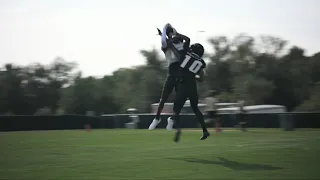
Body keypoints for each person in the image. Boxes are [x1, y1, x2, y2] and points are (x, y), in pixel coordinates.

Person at [148, 23, 190, 131]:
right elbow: (163, 42)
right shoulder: (166, 45)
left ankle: (171, 119)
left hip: (181, 74)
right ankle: (157, 118)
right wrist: (164, 30)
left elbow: (187, 40)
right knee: (163, 99)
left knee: (180, 101)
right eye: (170, 35)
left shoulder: (181, 44)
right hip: (171, 73)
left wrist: (176, 33)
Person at [166, 41, 210, 142]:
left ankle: (178, 130)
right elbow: (201, 79)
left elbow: (175, 52)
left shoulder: (186, 54)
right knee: (196, 109)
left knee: (176, 110)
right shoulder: (201, 62)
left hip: (183, 85)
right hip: (192, 87)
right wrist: (192, 74)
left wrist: (168, 42)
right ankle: (205, 130)